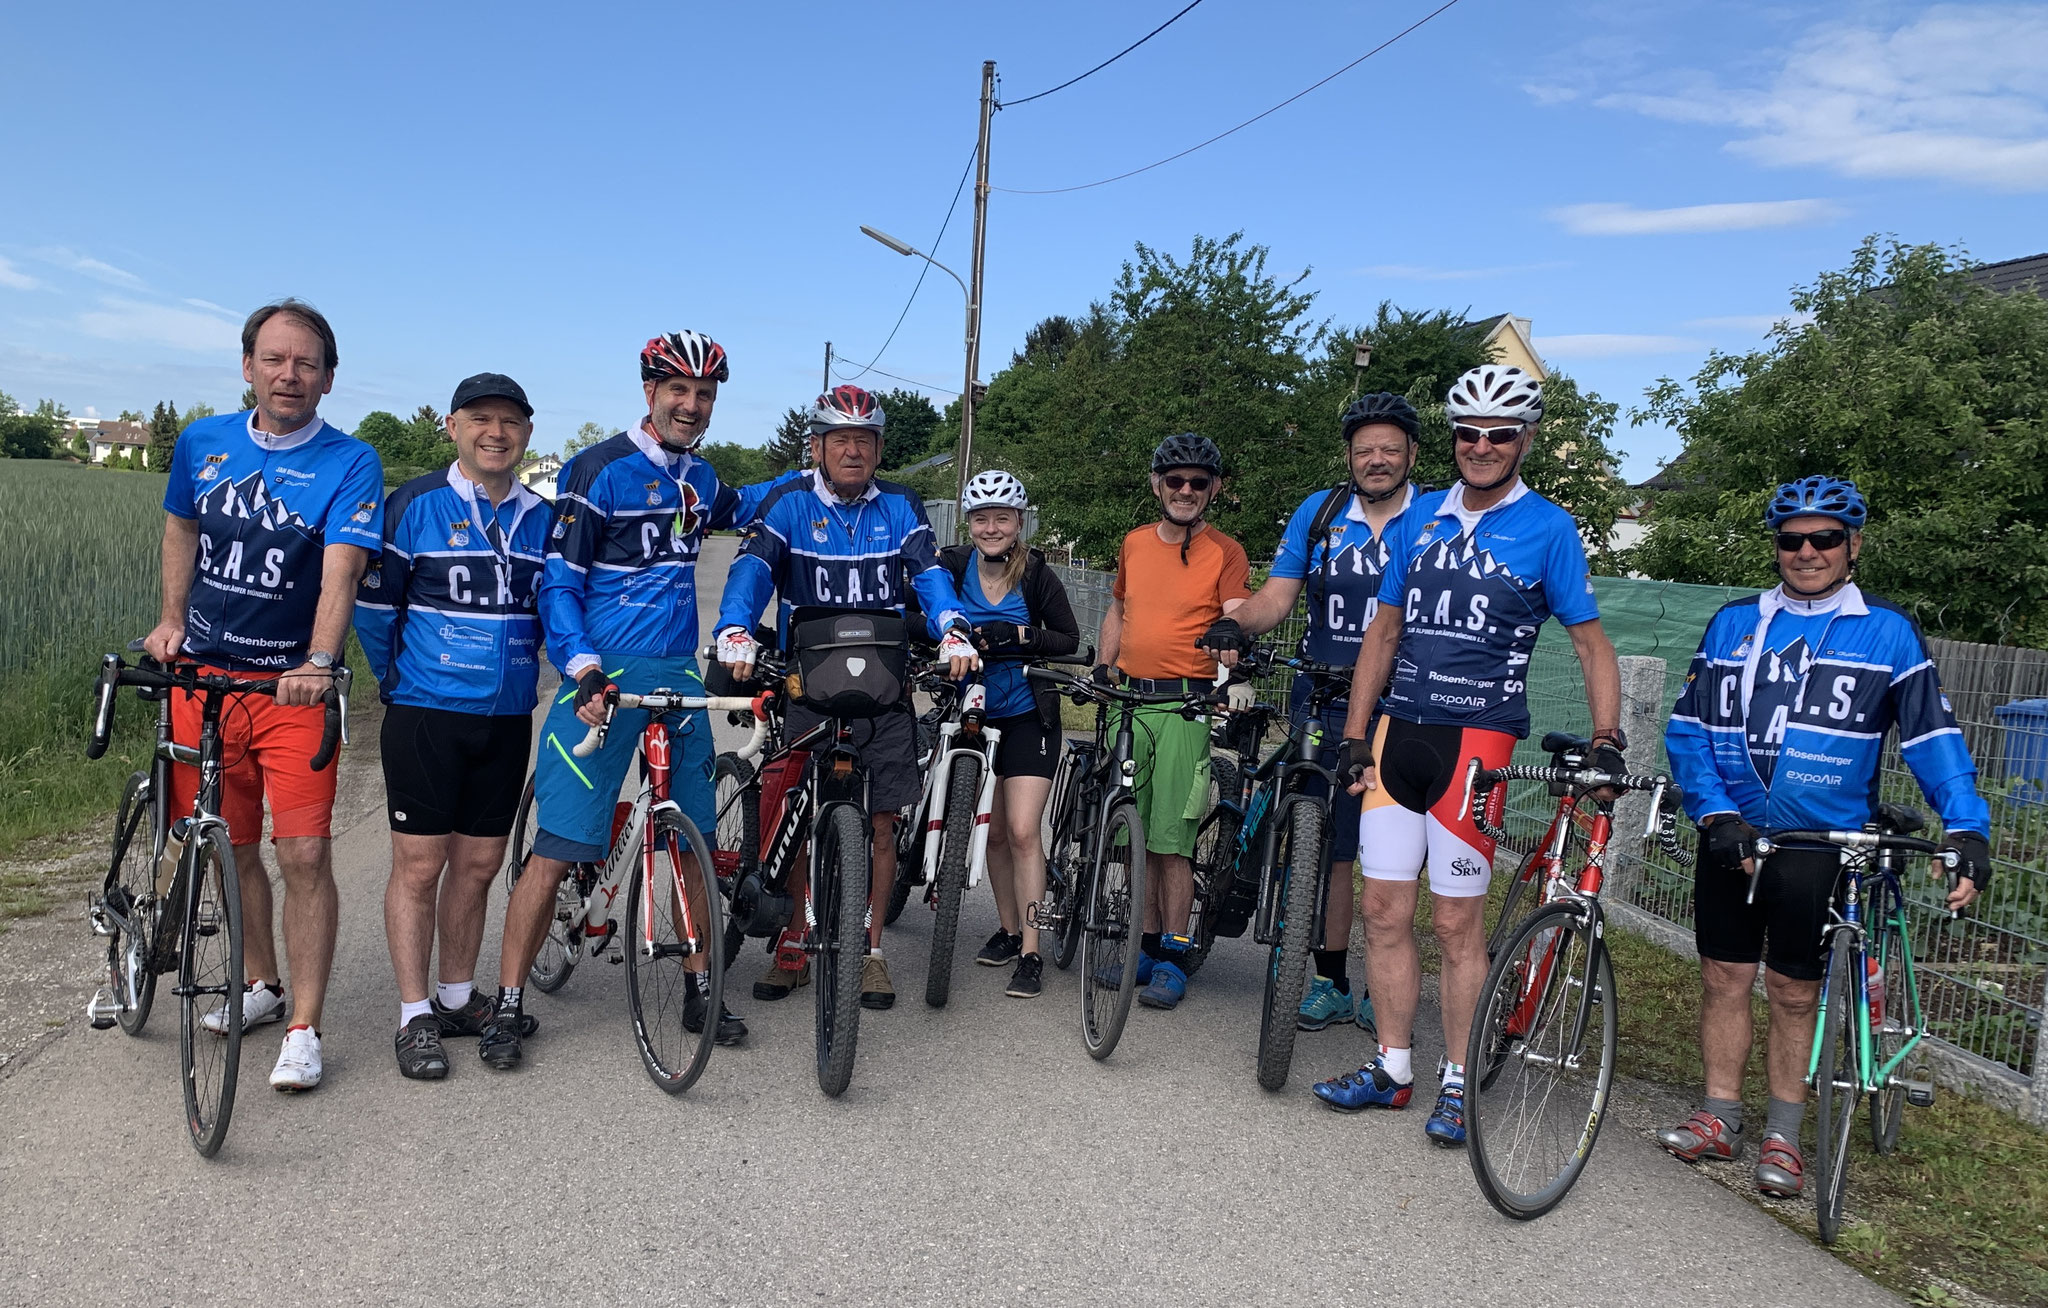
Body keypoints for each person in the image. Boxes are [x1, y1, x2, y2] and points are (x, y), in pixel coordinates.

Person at [1317, 364, 1626, 1148]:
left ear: (1526, 439)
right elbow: (1383, 632)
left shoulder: (1549, 528)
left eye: (1499, 434)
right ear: (1453, 438)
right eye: (1468, 433)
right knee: (1384, 911)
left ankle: (1457, 1079)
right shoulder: (1419, 515)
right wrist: (1355, 734)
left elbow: (1591, 644)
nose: (1482, 446)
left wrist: (1606, 738)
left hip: (1478, 742)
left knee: (1457, 921)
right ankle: (1392, 1066)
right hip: (1398, 734)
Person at [1656, 476, 1990, 1197]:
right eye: (1791, 539)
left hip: (1823, 841)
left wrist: (1967, 826)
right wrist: (1714, 814)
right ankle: (1719, 1114)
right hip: (1735, 832)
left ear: (1852, 545)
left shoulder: (1887, 632)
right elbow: (1688, 731)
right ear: (1777, 546)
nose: (1806, 552)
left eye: (1824, 538)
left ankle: (1783, 1134)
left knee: (1793, 991)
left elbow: (1932, 739)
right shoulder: (1733, 624)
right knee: (1723, 978)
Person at [482, 331, 799, 1069]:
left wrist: (812, 468)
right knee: (558, 849)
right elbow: (560, 580)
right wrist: (582, 667)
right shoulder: (599, 469)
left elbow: (743, 502)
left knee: (693, 838)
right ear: (650, 390)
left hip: (678, 674)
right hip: (602, 673)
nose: (692, 404)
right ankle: (508, 1002)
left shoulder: (701, 477)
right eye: (678, 390)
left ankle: (698, 986)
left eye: (705, 394)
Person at [143, 298, 381, 1092]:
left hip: (289, 689)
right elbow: (182, 528)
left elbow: (343, 568)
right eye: (274, 359)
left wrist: (320, 658)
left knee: (303, 853)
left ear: (328, 378)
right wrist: (170, 620)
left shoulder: (351, 461)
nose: (289, 374)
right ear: (248, 366)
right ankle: (261, 984)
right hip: (203, 682)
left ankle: (305, 1026)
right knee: (231, 842)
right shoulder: (202, 442)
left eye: (306, 363)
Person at [714, 384, 979, 1011]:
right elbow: (753, 570)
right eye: (840, 440)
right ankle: (795, 941)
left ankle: (870, 951)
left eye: (864, 440)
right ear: (817, 447)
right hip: (809, 683)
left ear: (879, 449)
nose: (853, 451)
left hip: (884, 686)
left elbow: (930, 575)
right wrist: (735, 628)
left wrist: (953, 626)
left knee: (883, 824)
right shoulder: (788, 502)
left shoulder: (901, 504)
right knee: (800, 816)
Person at [355, 373, 548, 1080]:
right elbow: (375, 611)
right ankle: (414, 1017)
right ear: (453, 426)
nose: (496, 433)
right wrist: (402, 680)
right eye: (481, 419)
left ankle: (458, 998)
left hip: (507, 717)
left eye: (510, 422)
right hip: (427, 714)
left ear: (527, 433)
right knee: (419, 867)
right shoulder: (413, 504)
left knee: (478, 866)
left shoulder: (543, 517)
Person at [1224, 392, 1424, 1035]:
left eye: (1389, 448)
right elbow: (1277, 596)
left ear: (1412, 454)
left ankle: (1382, 984)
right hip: (1322, 696)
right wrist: (1236, 626)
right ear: (1349, 456)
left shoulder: (1436, 516)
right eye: (1364, 449)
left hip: (1405, 704)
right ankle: (1331, 980)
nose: (1376, 459)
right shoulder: (1322, 512)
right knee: (1331, 848)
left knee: (1396, 855)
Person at [1096, 432, 1250, 1011]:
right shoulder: (1134, 543)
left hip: (1184, 707)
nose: (1186, 490)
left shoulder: (1225, 551)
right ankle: (1143, 944)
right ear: (1157, 484)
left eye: (1198, 482)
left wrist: (1237, 664)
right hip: (1128, 704)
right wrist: (1104, 664)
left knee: (1172, 841)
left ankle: (1174, 954)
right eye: (1175, 480)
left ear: (1214, 489)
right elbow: (1119, 607)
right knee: (1132, 835)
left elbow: (1236, 615)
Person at [939, 470, 1081, 999]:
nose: (992, 528)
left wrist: (1017, 635)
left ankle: (1032, 951)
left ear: (1019, 522)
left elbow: (1068, 638)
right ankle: (1009, 927)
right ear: (969, 523)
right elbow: (915, 616)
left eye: (1002, 518)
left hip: (1026, 714)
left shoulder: (1037, 573)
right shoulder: (953, 566)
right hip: (972, 714)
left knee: (1022, 831)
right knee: (993, 834)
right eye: (982, 518)